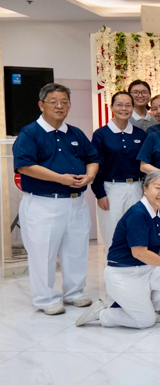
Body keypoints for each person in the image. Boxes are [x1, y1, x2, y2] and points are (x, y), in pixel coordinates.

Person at [13, 83, 100, 315]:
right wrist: (60, 179)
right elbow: (25, 165)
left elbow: (93, 158)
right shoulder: (30, 132)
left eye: (64, 102)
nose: (60, 106)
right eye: (54, 102)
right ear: (41, 105)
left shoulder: (75, 133)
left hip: (76, 202)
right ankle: (45, 298)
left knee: (77, 249)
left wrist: (90, 176)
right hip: (44, 203)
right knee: (43, 252)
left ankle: (74, 292)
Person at [75, 171, 160, 328]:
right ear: (144, 188)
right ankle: (104, 313)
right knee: (145, 322)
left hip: (146, 270)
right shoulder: (138, 214)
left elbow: (158, 244)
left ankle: (149, 309)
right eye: (157, 187)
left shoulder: (159, 211)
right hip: (124, 273)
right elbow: (139, 253)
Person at [92, 91, 147, 251]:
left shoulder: (139, 134)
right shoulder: (101, 135)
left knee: (137, 230)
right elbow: (96, 165)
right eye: (119, 104)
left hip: (136, 187)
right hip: (111, 189)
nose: (124, 108)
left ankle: (136, 269)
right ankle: (113, 268)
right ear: (112, 107)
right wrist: (100, 194)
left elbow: (144, 163)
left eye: (128, 105)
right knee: (112, 233)